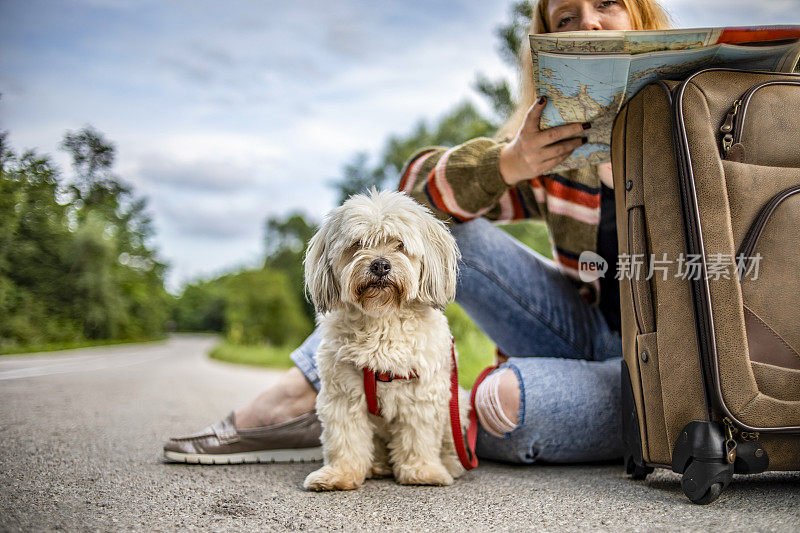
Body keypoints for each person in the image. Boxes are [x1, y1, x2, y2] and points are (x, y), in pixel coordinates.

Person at [164, 0, 672, 465]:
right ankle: (306, 393)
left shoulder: (704, 120)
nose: (587, 23)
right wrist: (509, 162)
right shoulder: (562, 146)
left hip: (667, 362)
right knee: (449, 236)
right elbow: (413, 198)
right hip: (581, 330)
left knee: (504, 403)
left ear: (642, 16)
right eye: (565, 17)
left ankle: (391, 407)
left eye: (608, 3)